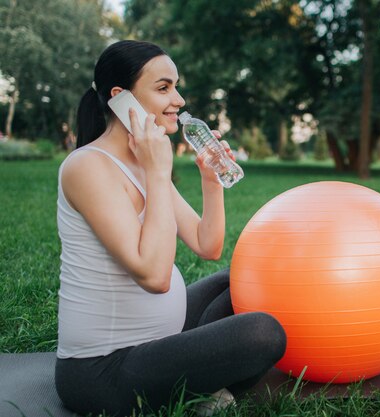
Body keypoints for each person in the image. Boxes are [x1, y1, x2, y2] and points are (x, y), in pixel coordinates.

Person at [54, 40, 286, 416]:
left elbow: (206, 245)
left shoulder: (145, 164)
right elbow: (154, 275)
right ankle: (202, 388)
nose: (178, 100)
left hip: (159, 339)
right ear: (121, 98)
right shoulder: (87, 167)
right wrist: (159, 171)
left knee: (242, 279)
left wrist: (211, 183)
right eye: (164, 88)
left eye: (176, 87)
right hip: (102, 373)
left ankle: (197, 382)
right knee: (263, 332)